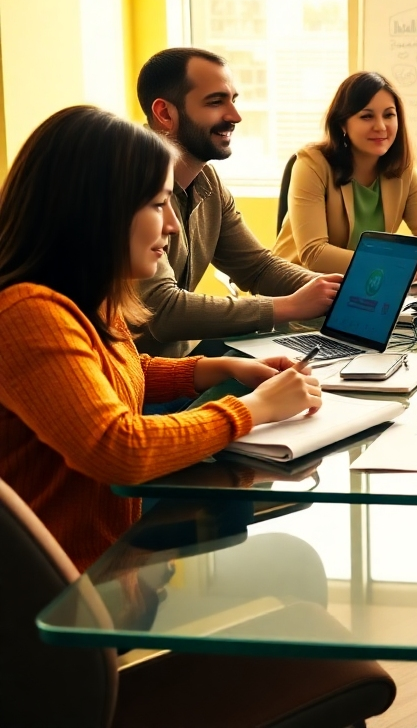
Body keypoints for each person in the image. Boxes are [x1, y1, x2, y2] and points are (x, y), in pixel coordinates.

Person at [0, 106, 323, 571]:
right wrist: (254, 409)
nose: (172, 225)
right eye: (157, 204)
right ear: (97, 212)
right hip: (70, 606)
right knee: (301, 581)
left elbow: (115, 377)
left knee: (297, 571)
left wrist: (219, 369)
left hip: (114, 574)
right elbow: (118, 447)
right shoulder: (29, 314)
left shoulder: (88, 298)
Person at [135, 48, 342, 358]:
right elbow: (161, 312)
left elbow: (257, 268)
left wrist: (338, 291)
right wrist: (287, 307)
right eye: (216, 102)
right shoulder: (127, 180)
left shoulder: (207, 181)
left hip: (180, 365)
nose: (235, 116)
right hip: (133, 381)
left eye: (234, 100)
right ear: (165, 113)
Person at [272, 71, 417, 279]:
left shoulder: (403, 172)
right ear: (342, 123)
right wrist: (393, 263)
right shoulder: (312, 163)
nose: (381, 126)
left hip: (362, 286)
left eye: (389, 115)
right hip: (298, 287)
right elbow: (314, 254)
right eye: (367, 116)